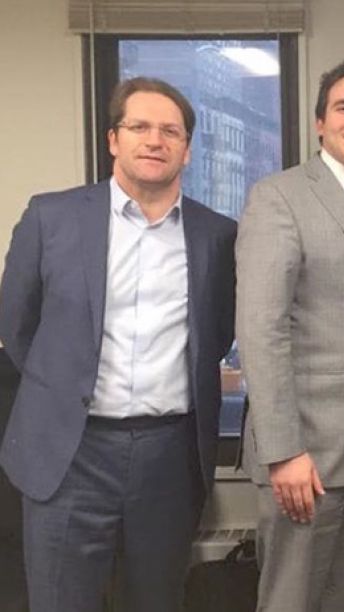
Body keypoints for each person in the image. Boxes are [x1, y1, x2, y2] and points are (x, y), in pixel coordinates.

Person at [0, 77, 236, 612]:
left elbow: (216, 334)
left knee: (157, 600)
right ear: (113, 139)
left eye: (170, 131)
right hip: (71, 453)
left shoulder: (217, 235)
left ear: (187, 149)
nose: (155, 140)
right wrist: (63, 389)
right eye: (140, 127)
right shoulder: (51, 218)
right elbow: (17, 325)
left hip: (169, 457)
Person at [235, 58, 344, 612]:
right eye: (343, 107)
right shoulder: (280, 197)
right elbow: (261, 329)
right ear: (319, 123)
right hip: (305, 458)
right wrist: (284, 451)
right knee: (292, 600)